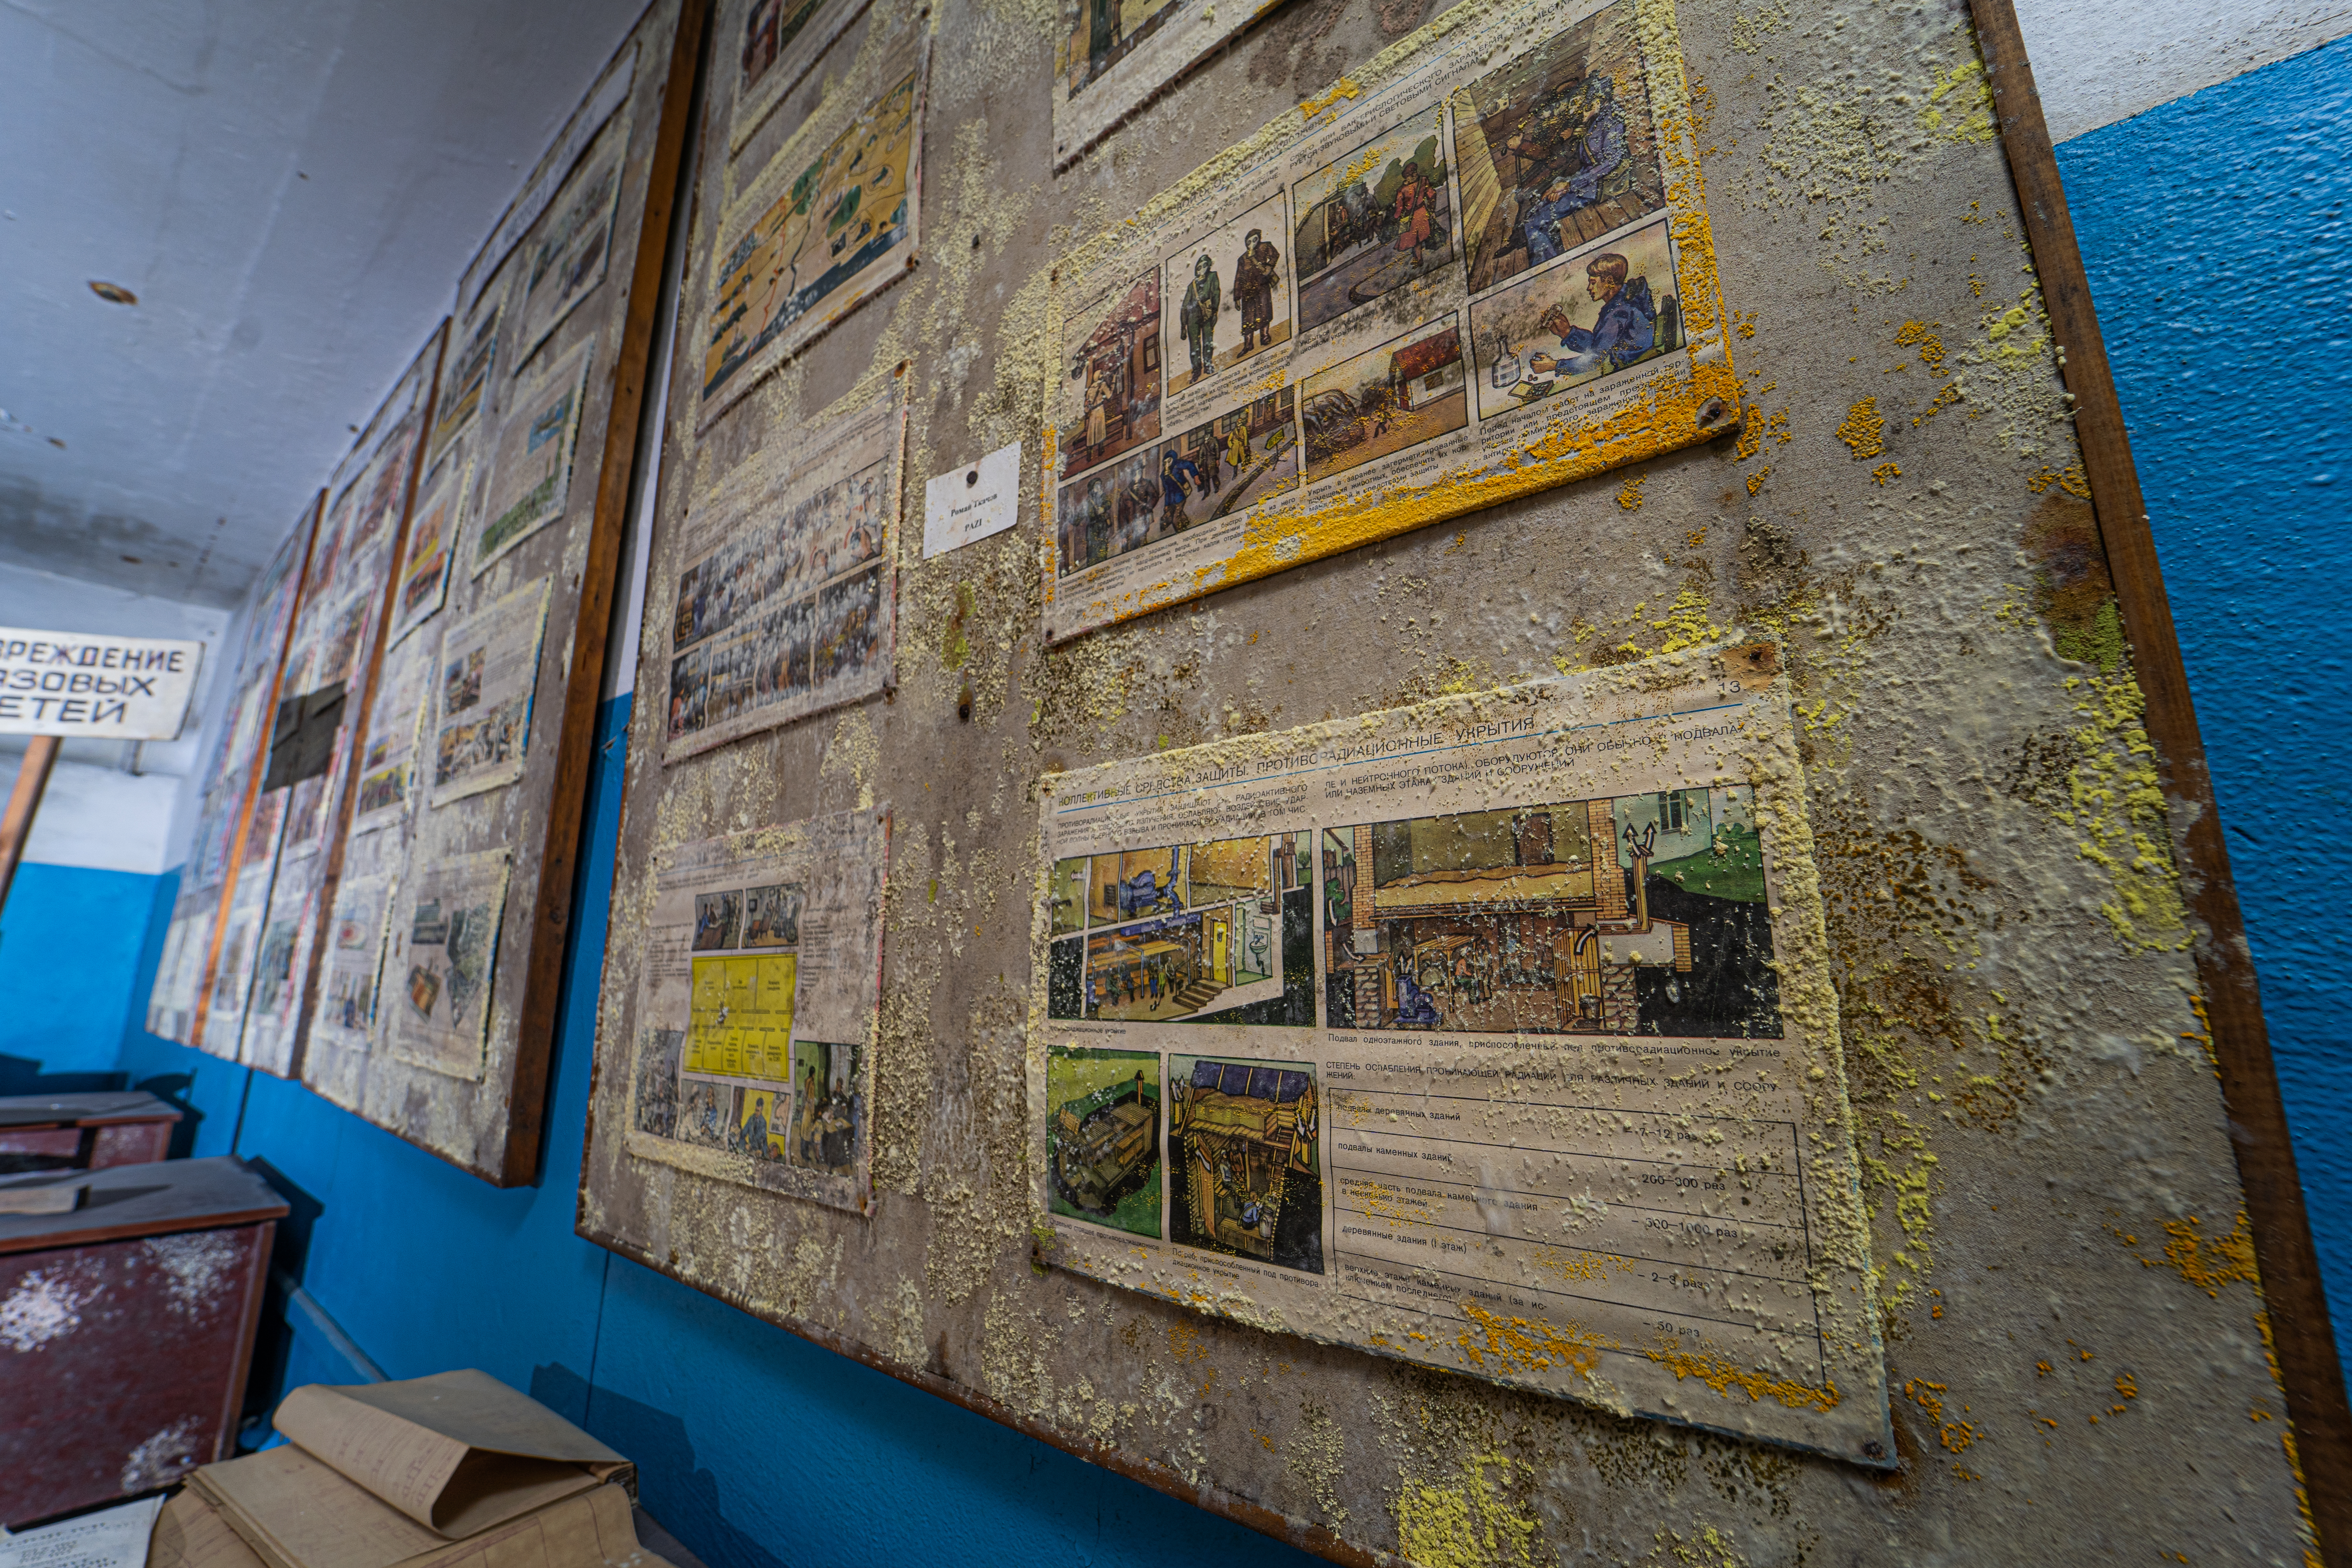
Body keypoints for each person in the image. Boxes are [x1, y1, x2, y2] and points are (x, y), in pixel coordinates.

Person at [1514, 78, 1628, 265]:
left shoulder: (1612, 120)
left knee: (1534, 222)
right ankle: (1553, 256)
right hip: (1585, 180)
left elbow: (1612, 162)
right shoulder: (1595, 120)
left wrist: (1568, 185)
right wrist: (1561, 185)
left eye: (1585, 104)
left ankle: (1546, 270)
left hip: (1602, 184)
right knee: (1537, 208)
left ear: (1599, 101)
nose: (1579, 108)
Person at [1528, 252, 1657, 378]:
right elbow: (1598, 345)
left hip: (1634, 371)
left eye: (1593, 282)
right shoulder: (1619, 303)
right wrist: (1567, 332)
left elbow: (1595, 360)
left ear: (1609, 281)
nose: (1589, 288)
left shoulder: (1619, 313)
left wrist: (1553, 366)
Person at [1232, 229, 1281, 353]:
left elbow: (1275, 255)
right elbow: (1238, 278)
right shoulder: (1243, 259)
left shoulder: (1265, 247)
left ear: (1259, 238)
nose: (1252, 243)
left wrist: (1269, 267)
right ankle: (1248, 345)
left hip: (1262, 287)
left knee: (1264, 312)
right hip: (1247, 293)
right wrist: (1237, 297)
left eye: (1254, 239)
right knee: (1248, 319)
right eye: (1249, 241)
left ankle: (1265, 337)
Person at [1179, 254, 1221, 383]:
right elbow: (1185, 306)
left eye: (1204, 267)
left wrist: (1214, 311)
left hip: (1207, 313)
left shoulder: (1212, 277)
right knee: (1195, 345)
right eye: (1199, 267)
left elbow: (1216, 293)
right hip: (1193, 318)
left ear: (1208, 267)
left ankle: (1208, 364)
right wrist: (1183, 325)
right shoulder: (1192, 286)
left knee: (1208, 340)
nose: (1201, 270)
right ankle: (1197, 369)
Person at [1392, 162, 1437, 258]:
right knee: (1420, 238)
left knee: (1415, 240)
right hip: (1422, 212)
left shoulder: (1402, 190)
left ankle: (1419, 258)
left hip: (1411, 217)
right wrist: (1432, 210)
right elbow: (1431, 194)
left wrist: (1396, 217)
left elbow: (1399, 207)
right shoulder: (1423, 180)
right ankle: (1419, 257)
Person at [1160, 447, 1205, 532]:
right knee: (1179, 511)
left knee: (1175, 518)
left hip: (1181, 494)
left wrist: (1196, 476)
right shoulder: (1163, 476)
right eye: (1165, 462)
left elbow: (1190, 465)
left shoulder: (1177, 465)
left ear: (1173, 460)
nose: (1167, 464)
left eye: (1169, 461)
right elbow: (1167, 491)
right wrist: (1167, 504)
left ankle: (1180, 533)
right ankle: (1186, 522)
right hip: (1172, 499)